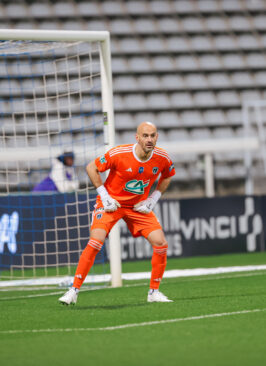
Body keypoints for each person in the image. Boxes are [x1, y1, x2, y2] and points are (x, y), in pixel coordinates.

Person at [59, 121, 176, 305]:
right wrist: (104, 196)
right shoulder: (119, 153)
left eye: (152, 135)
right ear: (137, 137)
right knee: (96, 241)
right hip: (111, 204)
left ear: (157, 137)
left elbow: (168, 175)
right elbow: (91, 168)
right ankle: (73, 290)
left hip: (137, 207)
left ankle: (154, 292)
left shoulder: (162, 157)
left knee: (161, 243)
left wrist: (153, 199)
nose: (149, 139)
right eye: (145, 136)